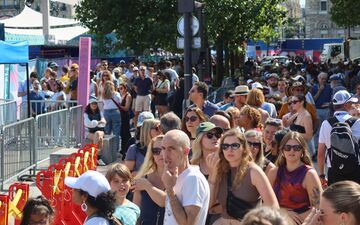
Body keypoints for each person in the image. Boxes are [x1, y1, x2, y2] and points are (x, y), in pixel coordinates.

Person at [206, 129, 279, 224]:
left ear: (244, 148)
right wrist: (213, 174)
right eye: (225, 146)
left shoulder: (254, 171)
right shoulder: (220, 170)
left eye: (235, 145)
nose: (230, 150)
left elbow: (274, 208)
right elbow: (208, 205)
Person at [268, 131, 322, 224]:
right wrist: (284, 212)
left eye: (296, 148)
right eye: (287, 147)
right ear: (282, 151)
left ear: (302, 151)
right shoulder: (274, 173)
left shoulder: (309, 174)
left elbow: (319, 208)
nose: (291, 151)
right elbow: (265, 203)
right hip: (277, 219)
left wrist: (294, 220)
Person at [161, 129, 210, 225]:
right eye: (163, 148)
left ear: (186, 151)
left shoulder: (193, 179)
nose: (165, 154)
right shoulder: (175, 176)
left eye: (171, 149)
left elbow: (187, 223)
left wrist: (170, 190)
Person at [318, 90, 360, 185]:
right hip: (355, 170)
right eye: (350, 103)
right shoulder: (358, 122)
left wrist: (322, 175)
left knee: (336, 200)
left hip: (334, 171)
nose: (352, 105)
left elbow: (320, 154)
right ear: (345, 105)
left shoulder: (326, 124)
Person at [191, 122, 223, 224]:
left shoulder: (227, 164)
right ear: (200, 140)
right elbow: (206, 204)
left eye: (217, 135)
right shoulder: (193, 167)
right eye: (209, 135)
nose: (215, 138)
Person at [133, 135, 166, 225]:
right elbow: (136, 214)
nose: (161, 154)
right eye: (156, 151)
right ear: (151, 154)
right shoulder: (142, 179)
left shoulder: (179, 178)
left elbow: (165, 201)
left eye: (164, 149)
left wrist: (148, 186)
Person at [102, 80, 122, 153]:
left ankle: (106, 149)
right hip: (115, 112)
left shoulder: (103, 94)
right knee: (116, 132)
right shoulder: (116, 94)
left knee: (107, 131)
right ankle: (115, 150)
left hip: (106, 112)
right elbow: (119, 101)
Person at [119, 83, 132, 156]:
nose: (120, 90)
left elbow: (126, 108)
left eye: (121, 88)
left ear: (125, 88)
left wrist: (119, 106)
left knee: (126, 133)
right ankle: (123, 148)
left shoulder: (128, 96)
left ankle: (127, 148)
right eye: (119, 88)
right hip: (121, 116)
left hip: (126, 116)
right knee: (122, 133)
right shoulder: (121, 95)